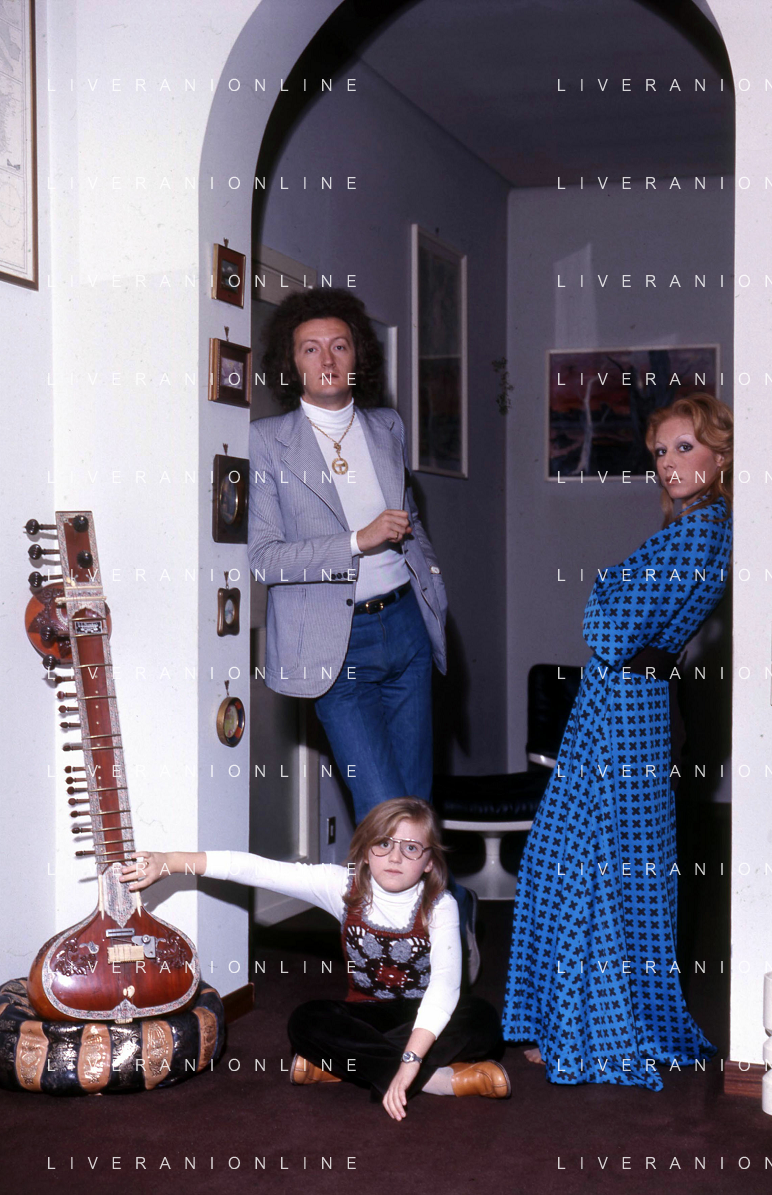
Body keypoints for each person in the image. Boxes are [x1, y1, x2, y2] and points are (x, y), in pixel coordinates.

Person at [500, 392, 734, 1090]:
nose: (669, 463)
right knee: (610, 867)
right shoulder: (703, 527)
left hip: (623, 708)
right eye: (660, 451)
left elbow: (606, 627)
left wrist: (605, 587)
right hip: (633, 704)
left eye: (685, 446)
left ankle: (584, 1030)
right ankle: (594, 1022)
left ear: (721, 455)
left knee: (577, 864)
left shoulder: (697, 532)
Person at [248, 289, 478, 978]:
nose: (326, 358)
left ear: (358, 358)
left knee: (416, 810)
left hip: (404, 629)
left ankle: (425, 957)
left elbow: (409, 522)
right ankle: (418, 948)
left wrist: (430, 586)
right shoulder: (267, 441)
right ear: (291, 362)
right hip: (335, 650)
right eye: (310, 347)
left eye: (339, 345)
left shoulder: (386, 427)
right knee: (384, 817)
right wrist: (355, 539)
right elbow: (263, 559)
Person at [121, 798, 508, 1120]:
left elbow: (443, 989)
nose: (394, 856)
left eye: (410, 848)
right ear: (366, 852)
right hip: (366, 1014)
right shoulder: (341, 886)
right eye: (383, 844)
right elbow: (256, 869)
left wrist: (410, 1058)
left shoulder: (440, 905)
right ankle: (437, 1080)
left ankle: (342, 1065)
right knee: (307, 1020)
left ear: (429, 862)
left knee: (483, 1020)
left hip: (422, 1017)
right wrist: (169, 861)